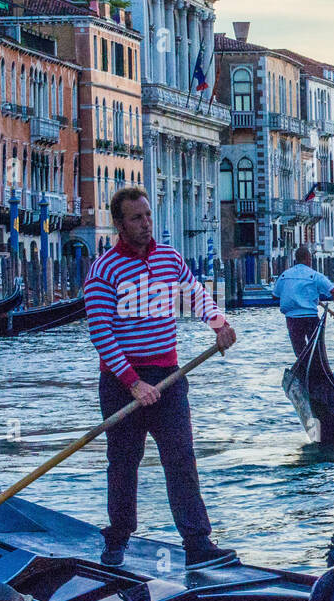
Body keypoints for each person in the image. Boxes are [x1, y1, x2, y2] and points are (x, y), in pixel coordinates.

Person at [84, 186, 238, 571]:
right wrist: (133, 381)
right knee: (123, 461)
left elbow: (196, 295)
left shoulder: (169, 258)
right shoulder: (103, 270)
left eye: (148, 215)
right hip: (123, 384)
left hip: (169, 377)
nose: (145, 224)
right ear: (119, 224)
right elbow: (101, 332)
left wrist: (219, 324)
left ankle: (197, 543)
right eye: (136, 218)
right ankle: (118, 538)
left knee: (181, 458)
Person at [274, 245, 334, 357]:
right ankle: (315, 368)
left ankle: (305, 367)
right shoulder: (315, 276)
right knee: (317, 350)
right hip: (310, 318)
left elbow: (275, 295)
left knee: (300, 352)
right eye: (310, 258)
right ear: (308, 258)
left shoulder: (284, 275)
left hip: (292, 319)